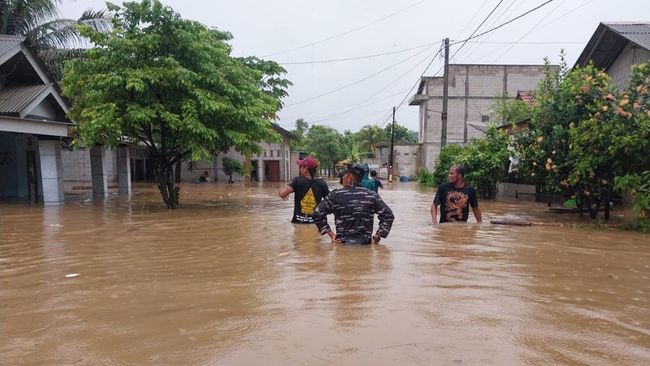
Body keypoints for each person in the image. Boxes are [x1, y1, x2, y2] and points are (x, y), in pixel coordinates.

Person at [313, 164, 394, 244]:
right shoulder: (371, 195)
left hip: (342, 246)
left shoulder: (335, 195)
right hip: (365, 246)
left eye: (344, 175)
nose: (342, 177)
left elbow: (317, 213)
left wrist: (332, 235)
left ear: (350, 176)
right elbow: (388, 215)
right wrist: (377, 237)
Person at [279, 157, 330, 224]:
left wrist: (280, 190)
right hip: (315, 224)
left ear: (305, 168)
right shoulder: (322, 183)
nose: (300, 169)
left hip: (298, 223)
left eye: (301, 167)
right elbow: (330, 201)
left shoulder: (297, 181)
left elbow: (282, 193)